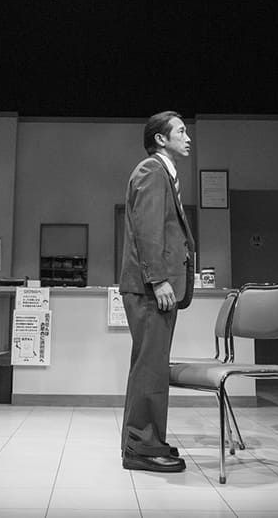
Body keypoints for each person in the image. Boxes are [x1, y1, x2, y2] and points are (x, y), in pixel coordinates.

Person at [119, 111, 195, 473]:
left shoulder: (164, 173)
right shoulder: (152, 171)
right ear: (161, 139)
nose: (188, 137)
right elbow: (148, 229)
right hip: (151, 288)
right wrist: (159, 279)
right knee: (150, 368)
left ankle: (143, 442)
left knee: (149, 366)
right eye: (181, 131)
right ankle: (143, 447)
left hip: (152, 286)